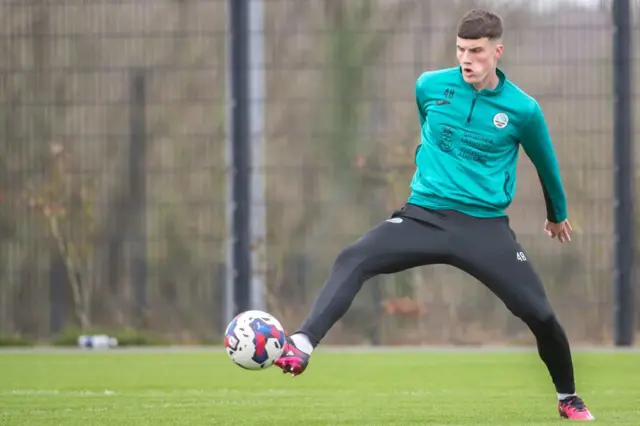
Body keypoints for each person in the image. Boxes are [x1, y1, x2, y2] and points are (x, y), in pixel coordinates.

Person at [274, 8, 594, 421]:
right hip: (423, 216)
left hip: (483, 228)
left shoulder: (522, 110)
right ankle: (302, 343)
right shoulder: (429, 86)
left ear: (498, 51)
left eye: (477, 51)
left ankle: (567, 396)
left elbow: (545, 164)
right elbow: (430, 129)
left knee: (541, 314)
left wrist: (557, 214)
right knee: (353, 258)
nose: (467, 59)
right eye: (461, 49)